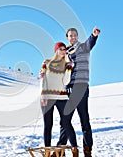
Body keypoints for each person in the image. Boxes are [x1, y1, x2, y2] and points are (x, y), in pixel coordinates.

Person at [64, 26, 101, 157]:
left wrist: (94, 35)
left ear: (77, 37)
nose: (73, 37)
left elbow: (90, 42)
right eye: (70, 35)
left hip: (81, 87)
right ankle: (64, 149)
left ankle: (87, 149)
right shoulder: (66, 53)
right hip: (70, 89)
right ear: (67, 38)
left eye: (75, 35)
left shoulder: (83, 47)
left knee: (84, 119)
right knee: (65, 120)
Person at [39, 42, 79, 157]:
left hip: (61, 97)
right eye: (60, 49)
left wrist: (69, 69)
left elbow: (66, 82)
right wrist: (43, 97)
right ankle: (47, 152)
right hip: (47, 97)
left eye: (64, 49)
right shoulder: (46, 62)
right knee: (48, 124)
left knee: (66, 123)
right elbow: (43, 81)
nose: (63, 51)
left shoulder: (66, 64)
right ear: (56, 50)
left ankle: (74, 149)